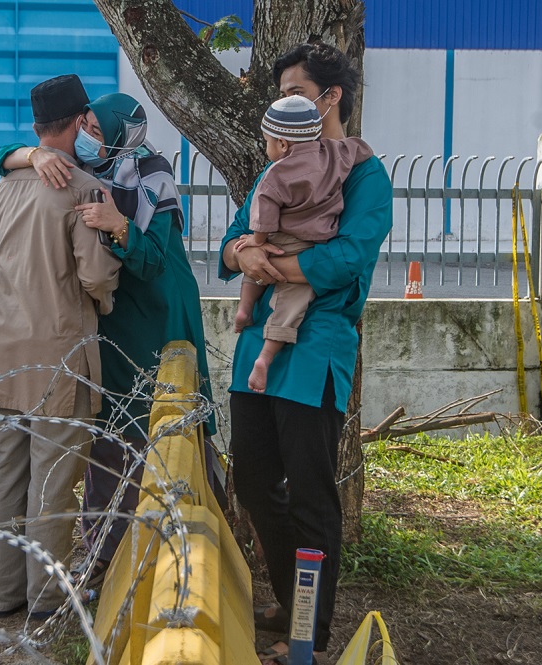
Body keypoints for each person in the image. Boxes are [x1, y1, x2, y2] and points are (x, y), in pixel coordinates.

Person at [0, 91, 218, 586]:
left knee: (156, 430)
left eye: (97, 130)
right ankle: (104, 554)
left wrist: (119, 225)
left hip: (156, 317)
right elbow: (1, 157)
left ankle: (169, 545)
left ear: (122, 134)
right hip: (109, 317)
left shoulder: (152, 174)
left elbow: (154, 260)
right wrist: (32, 154)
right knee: (107, 435)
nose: (87, 137)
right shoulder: (79, 172)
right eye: (85, 126)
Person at [219, 43, 393, 664]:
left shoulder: (364, 174)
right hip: (256, 348)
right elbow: (232, 240)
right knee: (254, 481)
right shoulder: (281, 163)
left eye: (297, 93)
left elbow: (350, 256)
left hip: (316, 348)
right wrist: (245, 253)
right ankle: (293, 597)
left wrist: (273, 265)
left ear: (331, 98)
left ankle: (307, 638)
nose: (286, 106)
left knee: (313, 495)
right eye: (281, 96)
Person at [0, 74, 121, 618]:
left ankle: (5, 592)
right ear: (81, 121)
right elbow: (96, 276)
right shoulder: (84, 188)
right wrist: (107, 297)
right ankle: (46, 599)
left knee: (4, 478)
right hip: (59, 353)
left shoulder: (8, 184)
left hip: (3, 351)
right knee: (52, 484)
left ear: (37, 128)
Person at [233, 95, 372, 393]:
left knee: (255, 270)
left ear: (283, 144)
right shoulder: (334, 155)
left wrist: (256, 242)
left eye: (267, 142)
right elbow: (360, 149)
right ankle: (266, 356)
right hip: (310, 243)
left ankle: (245, 310)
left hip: (278, 237)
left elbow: (263, 216)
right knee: (292, 303)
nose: (267, 148)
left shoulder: (275, 174)